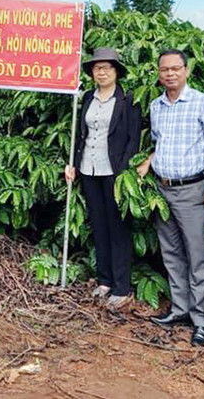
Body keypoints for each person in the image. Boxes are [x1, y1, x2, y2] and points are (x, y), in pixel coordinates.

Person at [137, 49, 204, 346]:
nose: (170, 74)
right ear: (159, 73)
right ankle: (179, 310)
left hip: (192, 190)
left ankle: (201, 320)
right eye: (165, 69)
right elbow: (160, 143)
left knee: (198, 255)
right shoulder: (156, 106)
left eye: (176, 68)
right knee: (172, 253)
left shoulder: (203, 103)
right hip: (162, 189)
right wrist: (150, 161)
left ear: (186, 71)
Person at [64, 48, 141, 308]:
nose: (102, 72)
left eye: (107, 67)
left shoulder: (128, 100)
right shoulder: (87, 97)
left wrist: (125, 170)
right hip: (89, 170)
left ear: (116, 71)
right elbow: (80, 134)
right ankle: (105, 280)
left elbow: (133, 139)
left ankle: (122, 286)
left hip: (114, 173)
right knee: (99, 226)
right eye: (97, 68)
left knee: (118, 229)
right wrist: (72, 164)